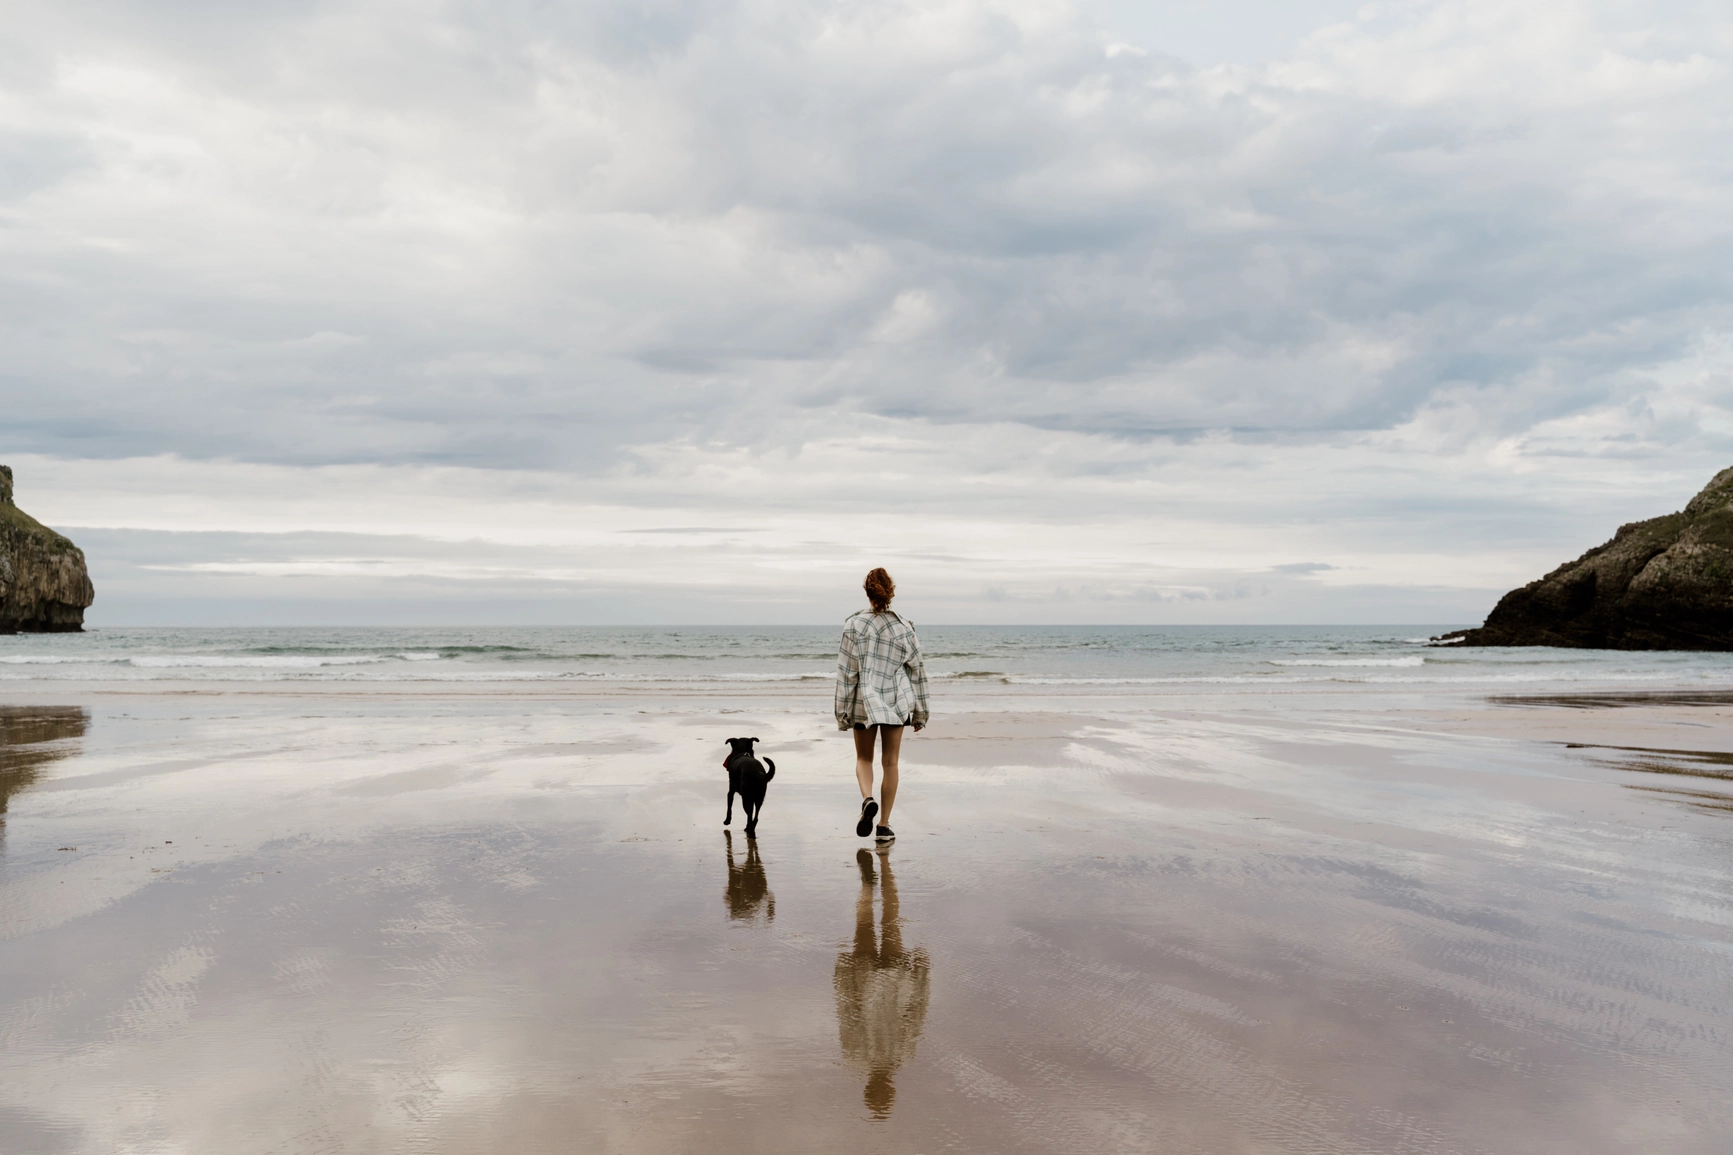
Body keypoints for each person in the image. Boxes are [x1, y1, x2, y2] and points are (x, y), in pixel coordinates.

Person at [835, 567, 930, 843]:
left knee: (864, 759)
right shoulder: (904, 627)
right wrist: (921, 713)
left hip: (865, 701)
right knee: (891, 763)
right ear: (891, 592)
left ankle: (867, 799)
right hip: (896, 702)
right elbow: (918, 672)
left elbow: (846, 673)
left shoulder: (853, 625)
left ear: (867, 591)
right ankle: (884, 826)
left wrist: (842, 712)